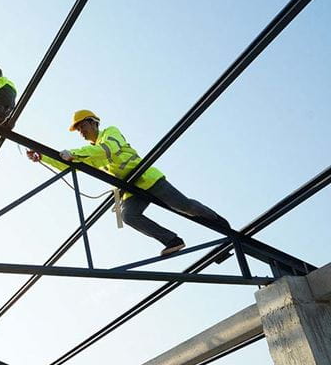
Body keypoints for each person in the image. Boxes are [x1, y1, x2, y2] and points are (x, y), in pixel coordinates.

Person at [26, 109, 230, 256]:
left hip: (146, 179)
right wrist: (43, 157)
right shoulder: (92, 150)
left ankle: (220, 222)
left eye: (82, 126)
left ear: (93, 122)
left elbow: (107, 150)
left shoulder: (110, 134)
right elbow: (73, 164)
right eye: (78, 129)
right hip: (131, 189)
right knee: (129, 215)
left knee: (184, 206)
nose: (81, 131)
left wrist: (74, 153)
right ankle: (172, 240)